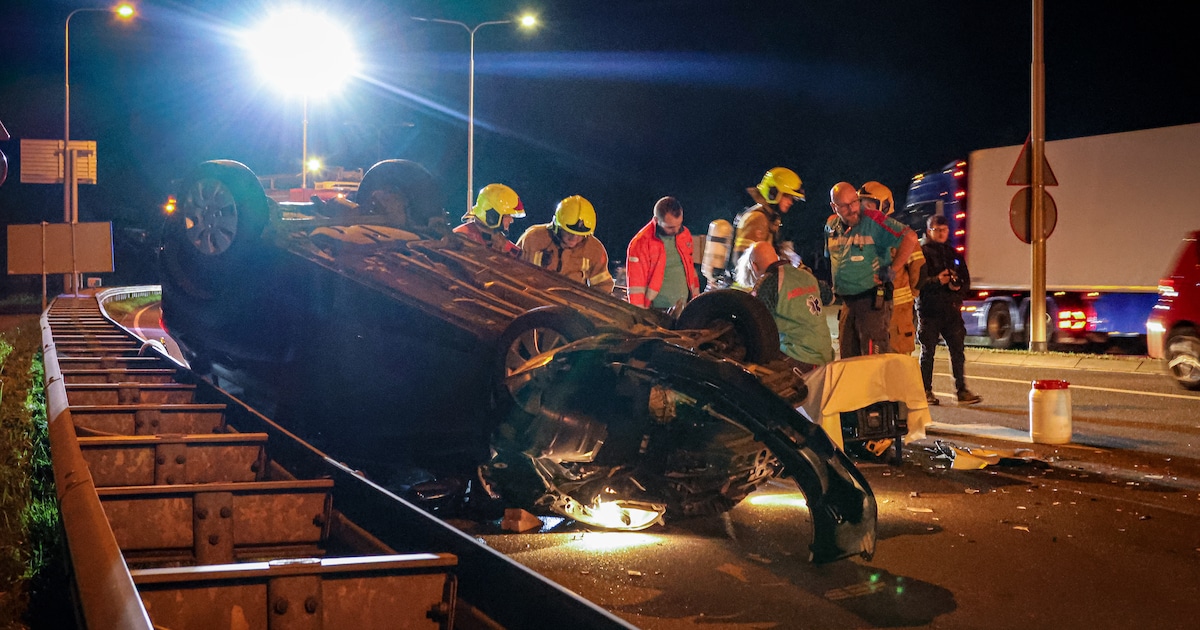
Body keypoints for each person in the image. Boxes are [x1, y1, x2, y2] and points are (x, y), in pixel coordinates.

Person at [824, 181, 919, 358]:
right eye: (844, 206)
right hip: (848, 303)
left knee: (873, 359)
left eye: (854, 202)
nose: (853, 209)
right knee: (848, 358)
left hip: (871, 303)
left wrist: (892, 269)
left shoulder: (873, 220)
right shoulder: (831, 227)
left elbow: (910, 237)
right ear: (834, 207)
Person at [917, 215, 982, 405]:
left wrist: (957, 288)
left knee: (958, 351)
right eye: (937, 230)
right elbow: (917, 283)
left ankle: (961, 390)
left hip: (951, 309)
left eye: (944, 230)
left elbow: (965, 281)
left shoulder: (953, 254)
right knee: (928, 352)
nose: (941, 234)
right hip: (929, 310)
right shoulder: (921, 254)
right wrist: (937, 281)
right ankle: (925, 391)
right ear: (929, 231)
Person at [743, 240, 833, 373]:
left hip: (799, 358)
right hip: (826, 356)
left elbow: (755, 323)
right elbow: (829, 297)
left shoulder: (768, 282)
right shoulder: (805, 275)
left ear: (754, 266)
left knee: (750, 367)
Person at [857, 181, 925, 355]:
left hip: (897, 316)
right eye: (861, 203)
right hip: (870, 311)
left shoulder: (901, 235)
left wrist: (908, 297)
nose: (864, 209)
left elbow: (920, 271)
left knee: (897, 363)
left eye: (869, 204)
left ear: (885, 206)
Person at [517, 195, 615, 294]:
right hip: (532, 299)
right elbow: (513, 269)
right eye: (569, 233)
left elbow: (603, 286)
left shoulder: (594, 249)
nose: (574, 238)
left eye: (580, 235)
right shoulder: (533, 238)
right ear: (557, 226)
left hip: (572, 303)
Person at [626, 196, 700, 312]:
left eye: (679, 224)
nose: (676, 230)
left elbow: (690, 269)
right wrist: (639, 314)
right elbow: (636, 284)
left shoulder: (684, 234)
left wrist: (696, 299)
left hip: (685, 306)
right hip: (657, 310)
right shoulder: (641, 242)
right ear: (656, 220)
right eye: (670, 227)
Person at [732, 167, 806, 264]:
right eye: (787, 196)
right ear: (773, 193)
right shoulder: (757, 218)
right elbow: (744, 262)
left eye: (792, 198)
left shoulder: (770, 218)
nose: (790, 202)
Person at [453, 183, 523, 256]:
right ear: (492, 215)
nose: (511, 220)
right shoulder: (461, 238)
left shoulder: (500, 241)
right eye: (507, 215)